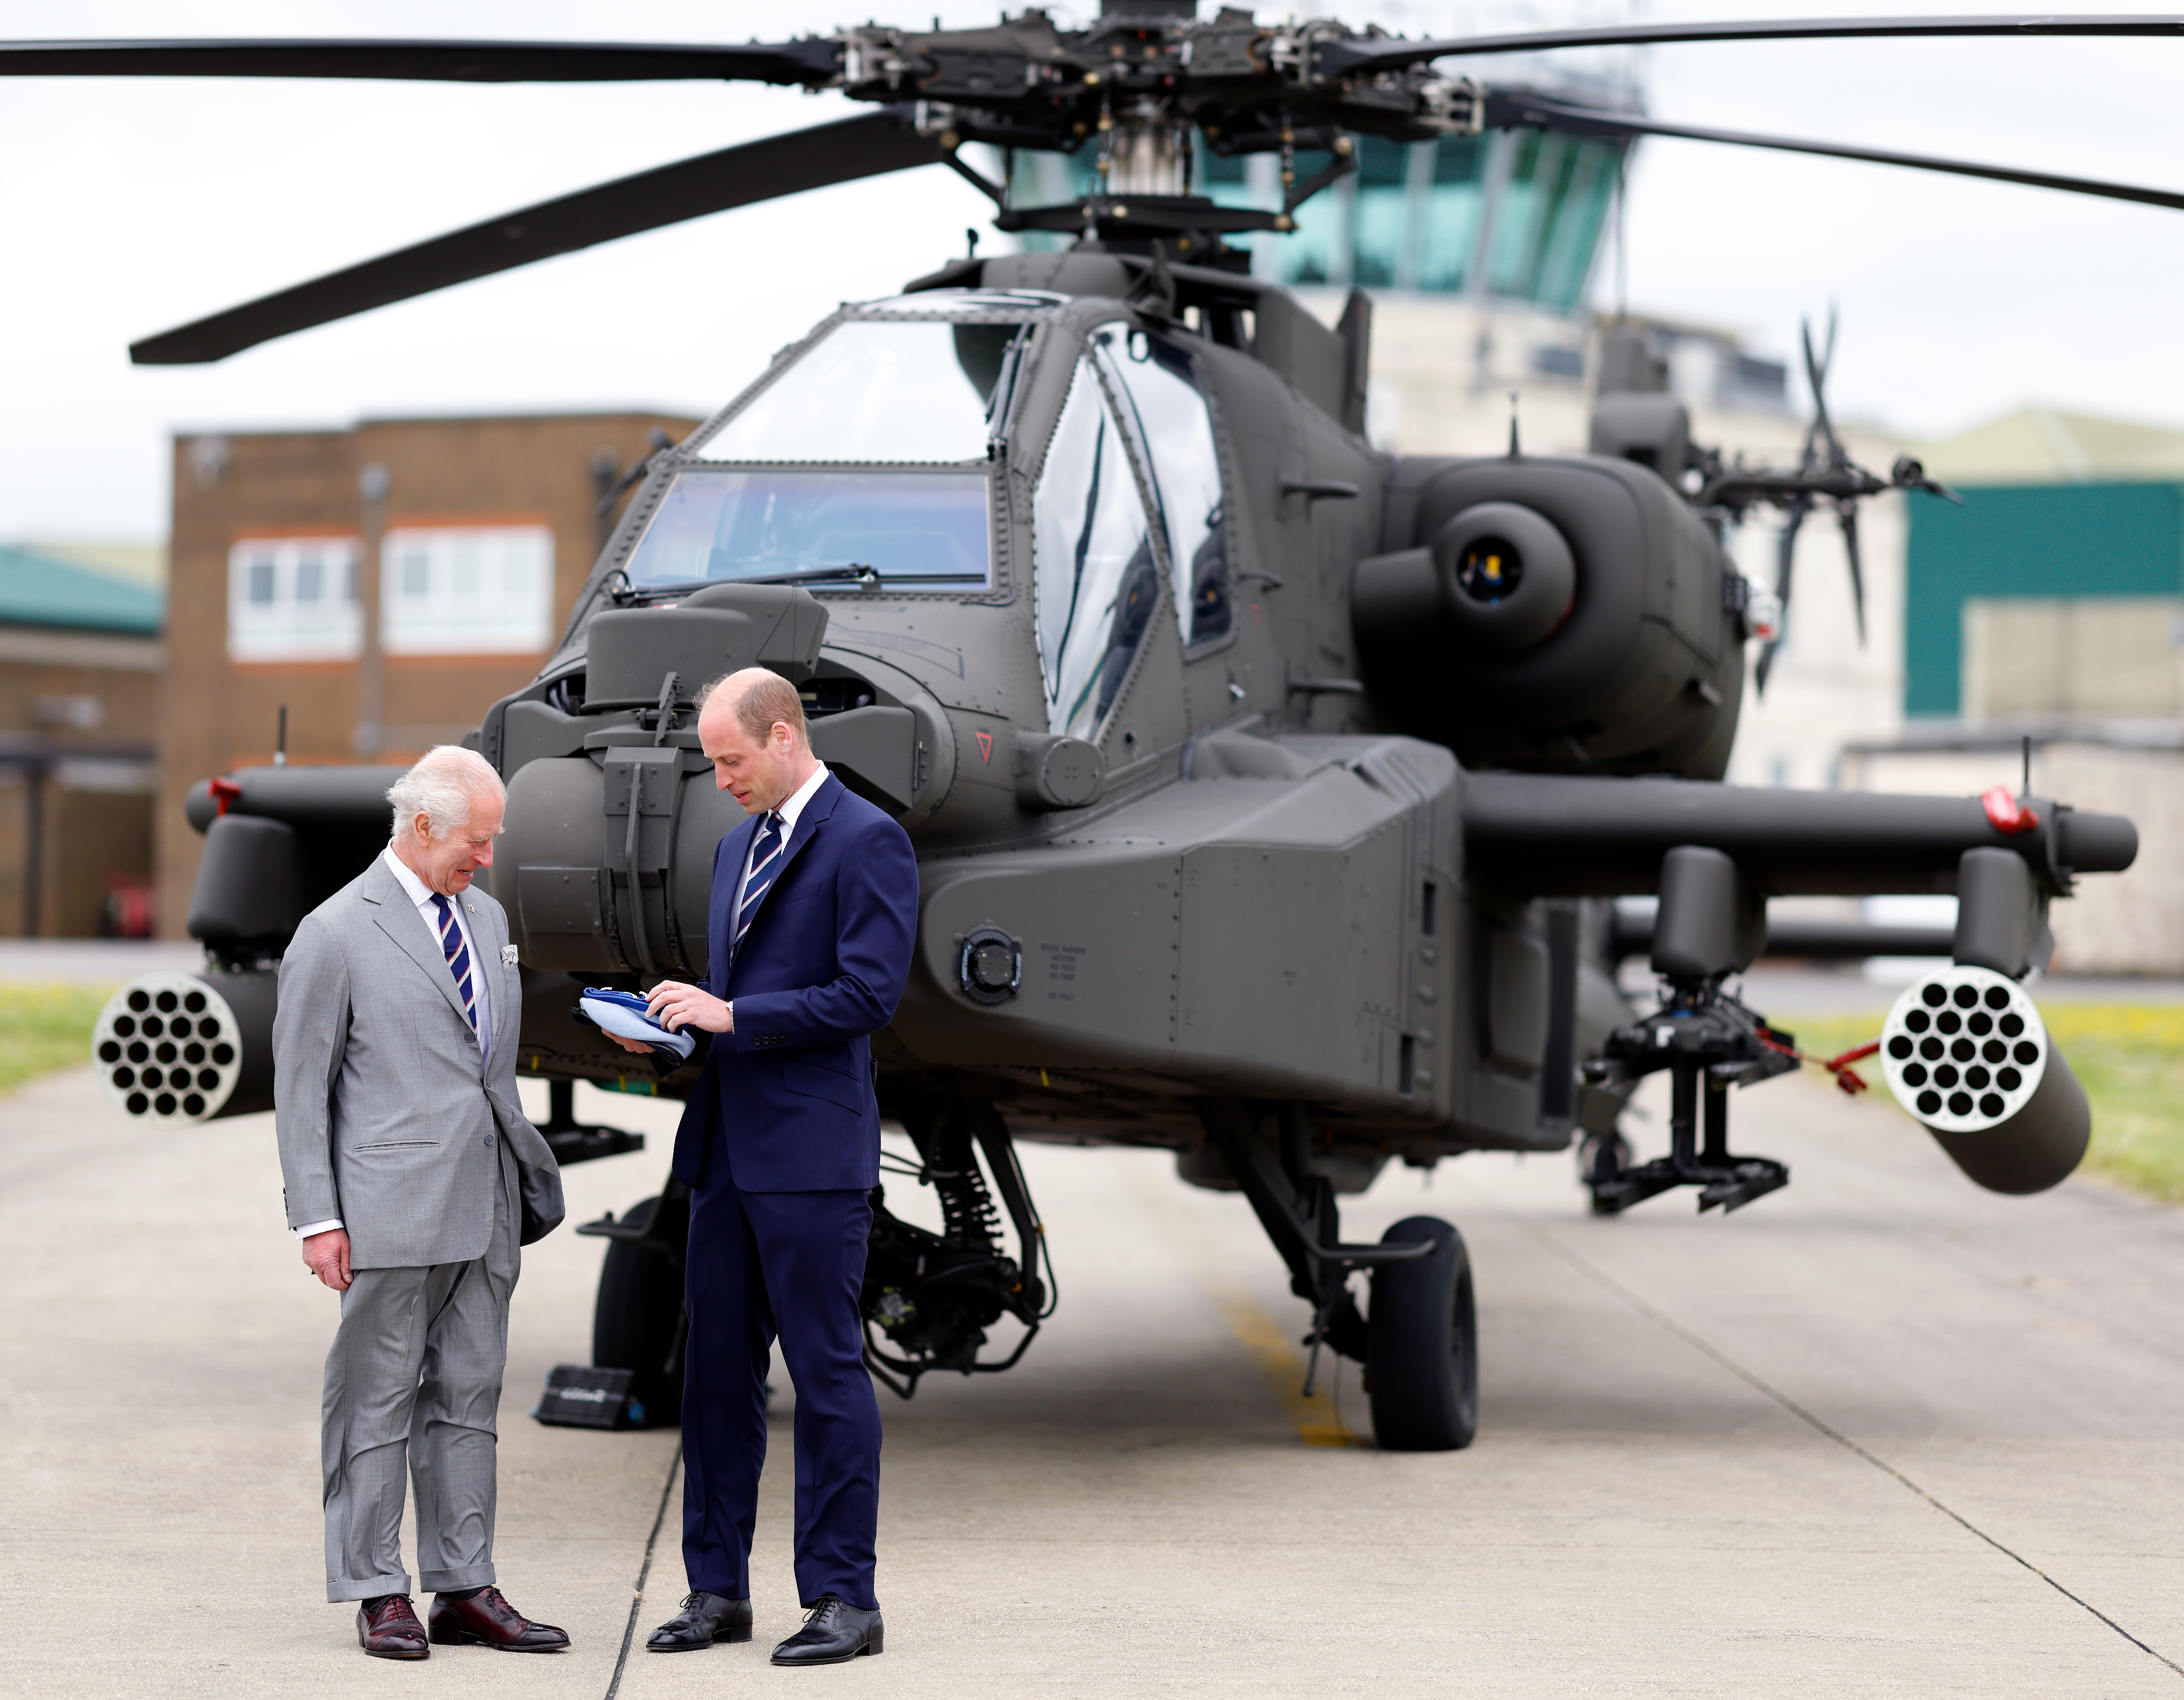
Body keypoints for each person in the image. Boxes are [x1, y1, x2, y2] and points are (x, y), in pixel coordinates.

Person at [604, 666, 917, 1667]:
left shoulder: (868, 839)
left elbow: (867, 994)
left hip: (812, 1157)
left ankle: (843, 1598)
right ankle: (716, 1588)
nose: (720, 777)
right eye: (710, 761)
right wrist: (673, 1026)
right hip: (728, 1149)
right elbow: (746, 1000)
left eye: (730, 758)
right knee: (712, 1376)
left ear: (784, 735)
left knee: (825, 1372)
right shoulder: (738, 843)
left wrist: (735, 1013)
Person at [274, 745, 569, 1660]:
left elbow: (484, 1059)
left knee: (470, 1397)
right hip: (386, 1209)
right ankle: (376, 1589)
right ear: (424, 825)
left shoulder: (485, 916)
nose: (486, 859)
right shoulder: (333, 932)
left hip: (485, 1206)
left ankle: (465, 1585)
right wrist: (318, 1217)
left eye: (493, 842)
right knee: (375, 1400)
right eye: (477, 842)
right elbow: (301, 1088)